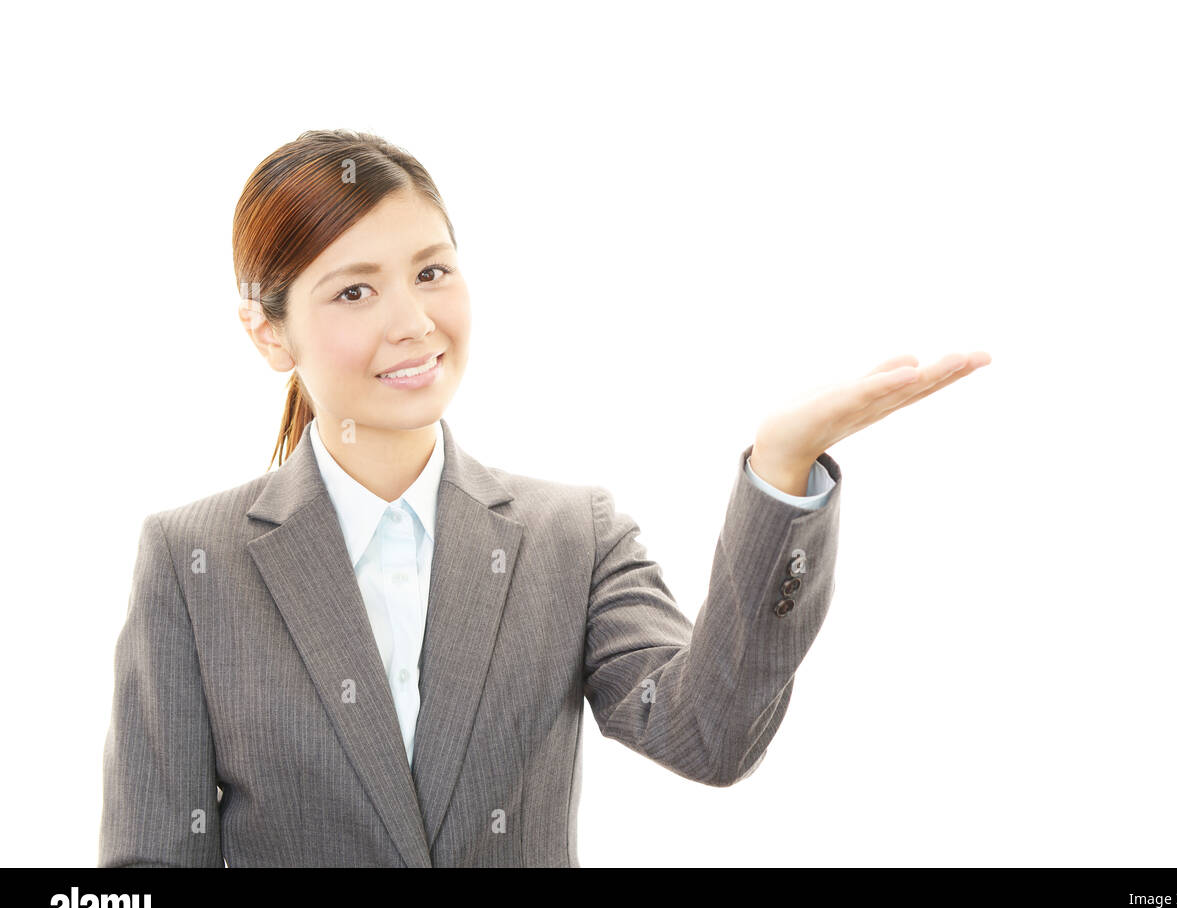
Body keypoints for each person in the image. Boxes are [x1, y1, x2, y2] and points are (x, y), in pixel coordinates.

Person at [98, 128, 990, 867]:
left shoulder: (572, 535)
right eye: (355, 290)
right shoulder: (191, 559)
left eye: (432, 271)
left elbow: (708, 733)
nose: (411, 319)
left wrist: (782, 469)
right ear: (268, 331)